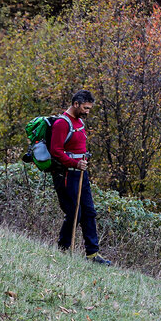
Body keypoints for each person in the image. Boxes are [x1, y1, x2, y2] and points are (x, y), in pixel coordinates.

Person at [50, 90, 112, 265]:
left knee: (89, 212)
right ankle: (63, 249)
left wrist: (81, 165)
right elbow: (56, 151)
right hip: (67, 174)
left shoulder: (80, 122)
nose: (87, 112)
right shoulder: (62, 124)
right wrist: (74, 163)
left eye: (89, 108)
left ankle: (93, 254)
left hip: (81, 174)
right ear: (75, 104)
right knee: (74, 213)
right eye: (85, 108)